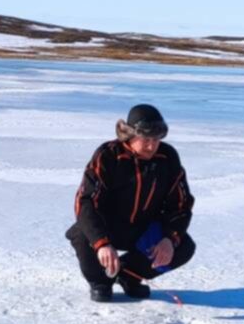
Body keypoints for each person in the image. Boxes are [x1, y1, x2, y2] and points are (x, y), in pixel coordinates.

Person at [67, 103, 196, 303]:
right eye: (146, 140)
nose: (152, 146)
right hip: (108, 226)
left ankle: (128, 274)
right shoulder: (108, 155)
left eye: (156, 140)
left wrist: (169, 239)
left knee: (184, 246)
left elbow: (181, 204)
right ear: (130, 135)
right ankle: (101, 280)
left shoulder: (168, 157)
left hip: (143, 229)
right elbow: (86, 202)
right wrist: (101, 243)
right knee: (83, 233)